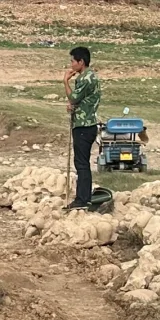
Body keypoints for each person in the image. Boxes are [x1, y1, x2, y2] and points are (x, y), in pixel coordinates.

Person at [64, 45, 102, 210]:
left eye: (73, 61)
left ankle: (82, 199)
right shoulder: (89, 76)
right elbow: (80, 100)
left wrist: (65, 81)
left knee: (81, 163)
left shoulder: (86, 79)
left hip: (83, 126)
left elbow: (73, 97)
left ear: (81, 62)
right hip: (87, 124)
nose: (71, 64)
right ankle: (84, 196)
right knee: (82, 162)